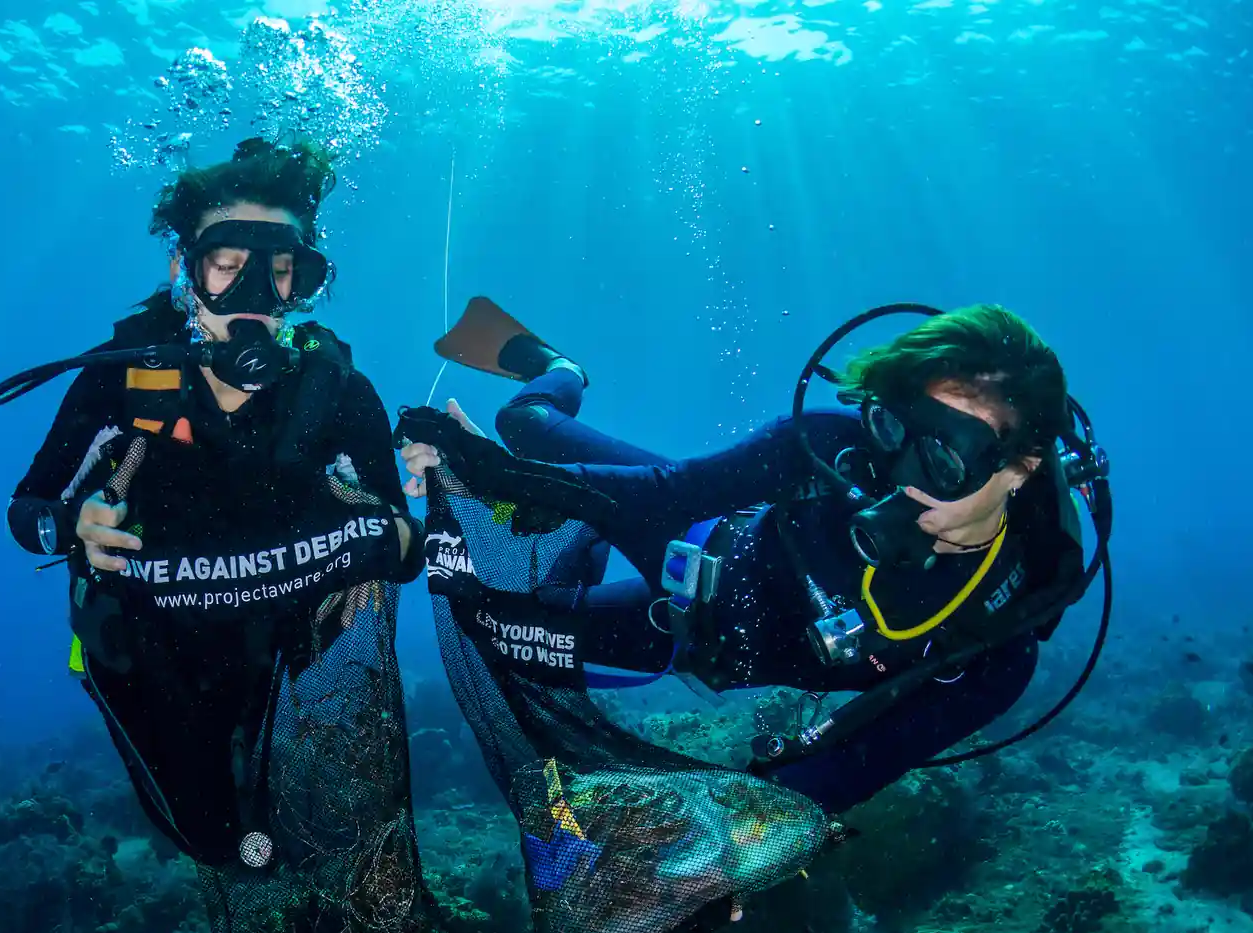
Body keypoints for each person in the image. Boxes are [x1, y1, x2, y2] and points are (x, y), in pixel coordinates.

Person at [0, 137, 442, 933]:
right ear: (182, 270)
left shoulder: (333, 390)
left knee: (304, 823)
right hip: (153, 655)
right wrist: (75, 520)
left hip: (283, 647)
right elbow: (26, 504)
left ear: (307, 279)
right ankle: (271, 901)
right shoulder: (123, 379)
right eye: (226, 263)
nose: (254, 295)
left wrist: (397, 520)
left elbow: (407, 537)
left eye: (283, 270)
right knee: (220, 832)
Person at [397, 298, 1107, 815]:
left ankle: (577, 550)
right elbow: (671, 492)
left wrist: (744, 845)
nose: (897, 478)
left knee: (507, 639)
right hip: (699, 536)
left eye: (943, 459)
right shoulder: (829, 444)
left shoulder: (997, 642)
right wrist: (498, 476)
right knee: (522, 427)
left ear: (1021, 466)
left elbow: (857, 764)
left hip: (683, 642)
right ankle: (560, 369)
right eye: (891, 428)